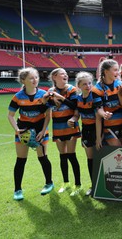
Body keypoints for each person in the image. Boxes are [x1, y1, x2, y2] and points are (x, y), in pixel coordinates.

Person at [8, 67, 54, 200]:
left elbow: (47, 115)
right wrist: (17, 129)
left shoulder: (43, 95)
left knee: (43, 157)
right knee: (21, 160)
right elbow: (10, 115)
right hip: (23, 131)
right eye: (31, 78)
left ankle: (49, 183)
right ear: (23, 80)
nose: (35, 80)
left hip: (40, 130)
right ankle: (17, 190)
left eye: (36, 77)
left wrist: (43, 131)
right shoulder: (17, 97)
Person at [47, 68, 82, 196]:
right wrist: (49, 98)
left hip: (71, 127)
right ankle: (66, 182)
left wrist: (61, 98)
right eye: (62, 73)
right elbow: (45, 107)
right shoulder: (50, 92)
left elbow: (75, 106)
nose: (66, 75)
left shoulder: (72, 89)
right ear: (54, 77)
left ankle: (78, 184)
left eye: (66, 73)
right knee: (62, 156)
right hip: (58, 128)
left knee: (72, 155)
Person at [68, 71, 96, 196]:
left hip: (98, 129)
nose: (88, 86)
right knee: (90, 158)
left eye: (89, 83)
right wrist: (72, 120)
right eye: (84, 84)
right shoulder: (78, 99)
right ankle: (93, 185)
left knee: (101, 157)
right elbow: (76, 114)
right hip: (86, 130)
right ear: (78, 86)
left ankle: (105, 184)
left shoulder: (95, 96)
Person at [93, 59, 122, 149]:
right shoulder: (96, 89)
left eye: (118, 70)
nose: (118, 72)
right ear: (106, 71)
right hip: (110, 126)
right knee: (119, 153)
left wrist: (120, 94)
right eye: (115, 70)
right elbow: (99, 110)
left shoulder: (121, 84)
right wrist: (104, 114)